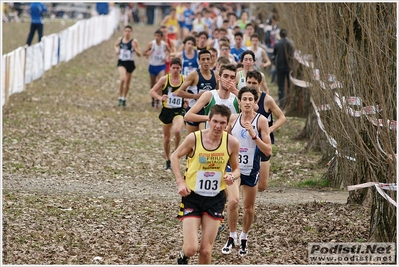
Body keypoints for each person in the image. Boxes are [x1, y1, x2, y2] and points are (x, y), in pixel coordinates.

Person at [171, 104, 240, 265]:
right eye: (215, 121)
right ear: (208, 120)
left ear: (227, 124)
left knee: (206, 250)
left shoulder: (231, 143)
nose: (218, 126)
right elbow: (175, 157)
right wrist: (180, 182)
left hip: (215, 198)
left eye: (222, 123)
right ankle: (183, 256)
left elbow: (237, 170)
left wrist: (232, 176)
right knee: (191, 249)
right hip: (192, 196)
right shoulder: (194, 138)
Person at [222, 86, 272, 257]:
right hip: (233, 168)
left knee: (248, 208)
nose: (248, 102)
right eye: (245, 99)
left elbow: (268, 151)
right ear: (239, 101)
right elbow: (223, 140)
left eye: (251, 99)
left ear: (255, 102)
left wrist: (253, 134)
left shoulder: (261, 121)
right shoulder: (233, 119)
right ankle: (231, 236)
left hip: (251, 169)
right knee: (233, 201)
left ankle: (244, 236)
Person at [245, 70, 286, 191]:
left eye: (254, 83)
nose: (251, 85)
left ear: (260, 83)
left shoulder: (267, 100)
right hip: (246, 142)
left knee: (262, 186)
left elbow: (282, 117)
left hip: (263, 142)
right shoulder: (242, 99)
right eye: (249, 82)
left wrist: (270, 129)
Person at [149, 58, 185, 170]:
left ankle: (176, 152)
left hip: (178, 111)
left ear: (181, 69)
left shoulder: (185, 79)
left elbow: (190, 92)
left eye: (177, 68)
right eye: (173, 68)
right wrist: (160, 97)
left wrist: (187, 99)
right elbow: (152, 91)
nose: (175, 70)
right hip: (166, 111)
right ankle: (168, 159)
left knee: (178, 130)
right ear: (170, 68)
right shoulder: (165, 79)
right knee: (167, 138)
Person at [184, 64, 240, 128]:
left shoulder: (238, 97)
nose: (228, 80)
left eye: (232, 78)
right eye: (225, 76)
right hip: (212, 136)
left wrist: (235, 91)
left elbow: (252, 111)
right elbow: (187, 116)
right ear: (219, 77)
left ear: (235, 80)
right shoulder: (209, 95)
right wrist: (211, 118)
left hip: (230, 137)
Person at [176, 49, 217, 135]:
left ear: (211, 60)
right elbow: (179, 92)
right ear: (199, 61)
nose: (206, 62)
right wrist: (196, 96)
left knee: (203, 139)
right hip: (193, 111)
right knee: (192, 143)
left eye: (208, 59)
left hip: (207, 113)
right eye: (203, 59)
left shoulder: (216, 75)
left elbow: (218, 93)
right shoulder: (194, 75)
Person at [114, 25, 142, 107]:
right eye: (126, 31)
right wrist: (116, 50)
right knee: (122, 79)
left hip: (130, 63)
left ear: (131, 32)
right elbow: (115, 45)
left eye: (129, 31)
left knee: (127, 83)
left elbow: (139, 54)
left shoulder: (134, 41)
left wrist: (135, 49)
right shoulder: (120, 40)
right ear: (123, 32)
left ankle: (124, 98)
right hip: (122, 62)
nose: (127, 33)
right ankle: (119, 97)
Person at [144, 29, 172, 109]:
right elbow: (144, 53)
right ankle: (153, 98)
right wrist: (148, 53)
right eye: (155, 36)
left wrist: (166, 56)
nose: (157, 37)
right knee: (153, 84)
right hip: (152, 66)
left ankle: (157, 100)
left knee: (160, 83)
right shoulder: (151, 44)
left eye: (158, 36)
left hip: (161, 66)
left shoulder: (164, 44)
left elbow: (170, 51)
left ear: (161, 37)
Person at [273, 28, 294, 108]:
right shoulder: (291, 44)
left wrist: (275, 63)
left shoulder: (278, 44)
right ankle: (288, 101)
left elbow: (274, 55)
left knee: (281, 85)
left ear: (280, 35)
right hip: (289, 67)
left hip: (280, 67)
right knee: (289, 85)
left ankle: (282, 103)